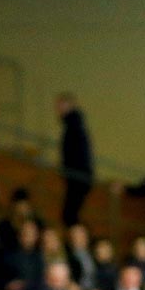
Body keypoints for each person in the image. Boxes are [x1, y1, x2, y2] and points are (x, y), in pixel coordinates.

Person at [56, 94, 94, 227]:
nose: (58, 109)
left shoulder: (74, 125)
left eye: (61, 105)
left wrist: (70, 171)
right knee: (70, 214)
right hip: (78, 175)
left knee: (69, 215)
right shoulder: (74, 125)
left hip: (78, 176)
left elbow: (76, 152)